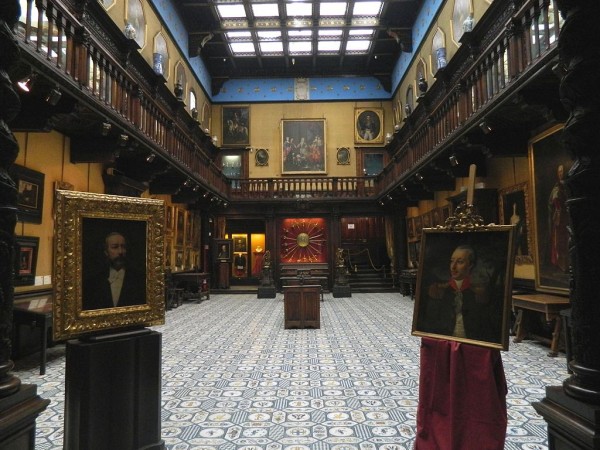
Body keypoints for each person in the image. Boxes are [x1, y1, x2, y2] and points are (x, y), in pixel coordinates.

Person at [418, 244, 497, 342]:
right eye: (452, 261)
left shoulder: (479, 294)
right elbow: (431, 324)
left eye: (460, 262)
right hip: (444, 342)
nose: (453, 267)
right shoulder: (438, 291)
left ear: (470, 265)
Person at [82, 232, 146, 310]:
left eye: (123, 247)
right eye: (115, 247)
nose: (120, 252)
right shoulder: (94, 282)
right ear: (106, 252)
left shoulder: (140, 279)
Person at [548, 164, 569, 272]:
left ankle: (568, 264)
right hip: (558, 219)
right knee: (558, 240)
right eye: (559, 171)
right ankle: (559, 263)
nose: (561, 173)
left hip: (567, 217)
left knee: (567, 240)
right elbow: (550, 204)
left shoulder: (568, 185)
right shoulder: (556, 187)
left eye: (562, 171)